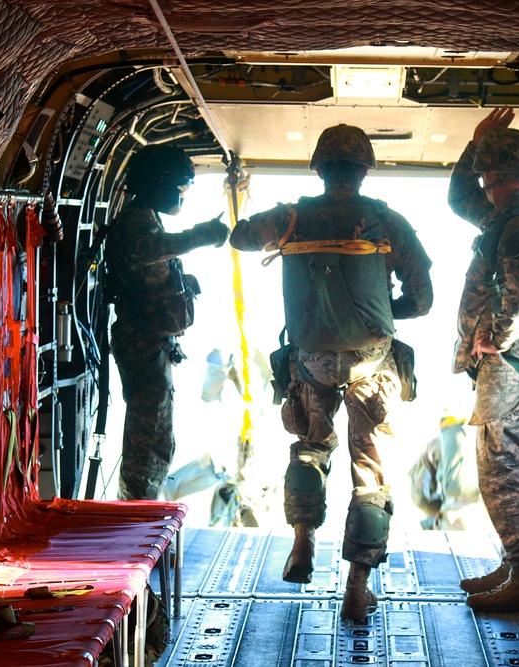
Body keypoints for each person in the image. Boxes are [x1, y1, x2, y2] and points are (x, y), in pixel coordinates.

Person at [230, 124, 433, 620]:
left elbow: (238, 237)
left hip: (311, 361)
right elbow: (422, 299)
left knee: (310, 447)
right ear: (364, 170)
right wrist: (383, 311)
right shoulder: (387, 222)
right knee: (370, 473)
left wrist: (282, 227)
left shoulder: (290, 218)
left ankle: (303, 541)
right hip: (372, 363)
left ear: (319, 169)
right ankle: (357, 587)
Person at [447, 107, 519, 613]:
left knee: (502, 468)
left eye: (483, 167)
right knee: (499, 464)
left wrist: (497, 340)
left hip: (509, 365)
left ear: (492, 173)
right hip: (504, 366)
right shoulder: (505, 216)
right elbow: (458, 199)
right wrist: (477, 143)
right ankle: (515, 564)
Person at [105, 143, 230, 500]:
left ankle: (139, 510)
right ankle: (135, 516)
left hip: (151, 343)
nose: (184, 194)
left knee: (156, 435)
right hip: (143, 343)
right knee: (150, 439)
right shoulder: (135, 221)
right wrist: (203, 235)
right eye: (181, 186)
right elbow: (151, 250)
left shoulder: (145, 217)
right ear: (160, 183)